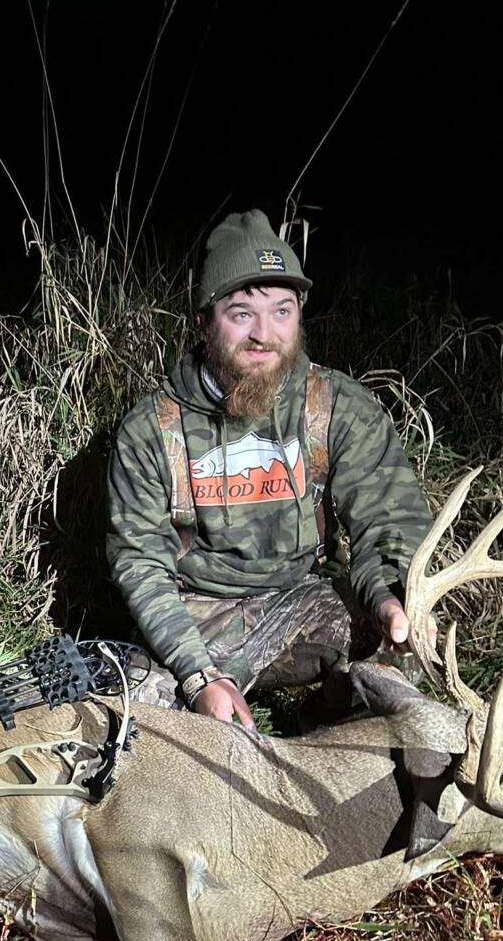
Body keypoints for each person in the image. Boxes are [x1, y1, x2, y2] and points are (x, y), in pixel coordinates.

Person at [106, 209, 432, 726]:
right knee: (136, 708)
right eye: (242, 314)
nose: (264, 334)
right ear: (204, 321)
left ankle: (320, 723)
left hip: (301, 601)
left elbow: (388, 523)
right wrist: (197, 675)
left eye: (282, 311)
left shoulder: (337, 407)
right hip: (199, 615)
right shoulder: (151, 429)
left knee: (400, 647)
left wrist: (390, 598)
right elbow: (141, 563)